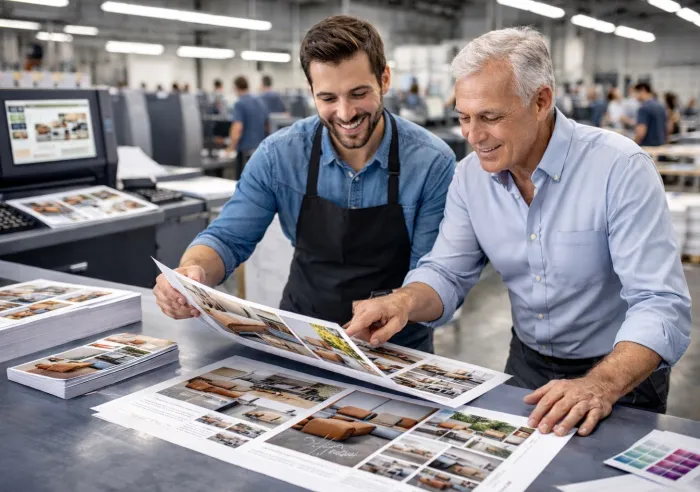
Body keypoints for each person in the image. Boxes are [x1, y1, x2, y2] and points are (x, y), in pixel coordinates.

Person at [346, 27, 690, 437]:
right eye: (464, 118)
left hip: (622, 374)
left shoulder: (619, 170)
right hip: (527, 365)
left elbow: (660, 303)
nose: (473, 136)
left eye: (490, 117)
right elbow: (447, 272)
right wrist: (403, 301)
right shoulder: (469, 177)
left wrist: (601, 384)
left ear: (541, 101)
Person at [153, 15, 456, 352]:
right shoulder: (278, 155)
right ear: (311, 91)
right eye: (328, 98)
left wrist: (402, 303)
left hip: (396, 346)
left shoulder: (430, 162)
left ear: (384, 80)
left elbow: (435, 272)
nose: (345, 113)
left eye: (358, 94)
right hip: (305, 338)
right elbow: (227, 237)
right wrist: (191, 272)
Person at [226, 75, 268, 175]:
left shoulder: (240, 104)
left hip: (245, 152)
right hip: (260, 151)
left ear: (235, 87)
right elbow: (267, 125)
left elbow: (237, 128)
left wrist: (230, 148)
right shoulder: (260, 101)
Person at [633, 82, 667, 146]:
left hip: (647, 148)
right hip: (661, 147)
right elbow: (668, 128)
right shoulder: (662, 106)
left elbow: (640, 132)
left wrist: (633, 145)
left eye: (635, 93)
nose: (635, 97)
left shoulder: (643, 108)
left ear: (643, 90)